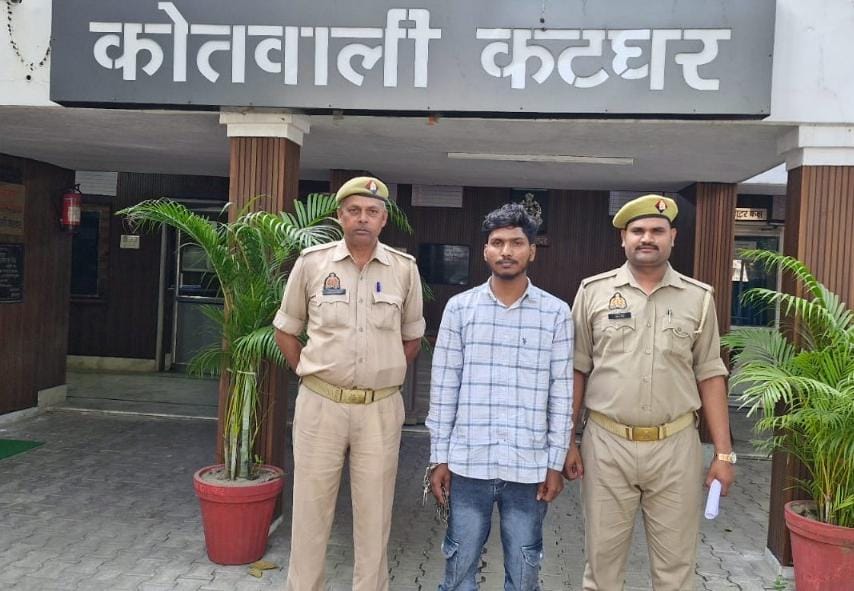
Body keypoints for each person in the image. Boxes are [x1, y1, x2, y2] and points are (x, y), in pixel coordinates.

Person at [564, 194, 736, 591]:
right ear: (623, 238)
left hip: (676, 446)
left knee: (676, 570)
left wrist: (723, 454)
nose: (647, 238)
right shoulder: (593, 292)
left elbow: (711, 374)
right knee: (602, 568)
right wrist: (568, 440)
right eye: (637, 231)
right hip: (607, 444)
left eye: (657, 231)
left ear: (672, 237)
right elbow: (576, 369)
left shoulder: (698, 298)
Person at [273, 176, 425, 591]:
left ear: (383, 220)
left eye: (372, 212)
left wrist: (383, 370)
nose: (363, 218)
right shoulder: (312, 263)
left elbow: (412, 338)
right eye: (354, 211)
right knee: (310, 510)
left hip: (379, 409)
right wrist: (310, 370)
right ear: (340, 216)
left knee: (375, 513)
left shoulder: (404, 270)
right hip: (321, 405)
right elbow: (286, 330)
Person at [427, 202, 573, 591]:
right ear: (485, 251)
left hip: (529, 468)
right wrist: (439, 457)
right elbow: (443, 388)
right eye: (497, 242)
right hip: (468, 464)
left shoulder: (556, 313)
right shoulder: (460, 310)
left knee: (524, 574)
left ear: (532, 251)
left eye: (516, 242)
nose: (506, 251)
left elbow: (562, 394)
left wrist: (554, 463)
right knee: (459, 571)